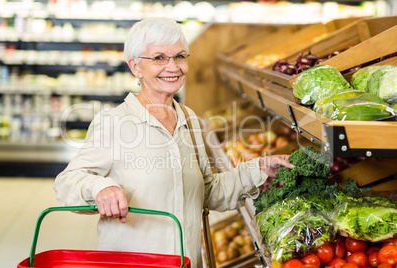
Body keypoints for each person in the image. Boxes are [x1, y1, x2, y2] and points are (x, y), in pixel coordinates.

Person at [54, 17, 294, 268]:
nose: (173, 67)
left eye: (179, 56)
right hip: (133, 264)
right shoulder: (115, 122)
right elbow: (66, 184)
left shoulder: (190, 121)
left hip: (186, 262)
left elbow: (208, 192)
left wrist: (260, 169)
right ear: (136, 67)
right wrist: (99, 188)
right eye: (159, 58)